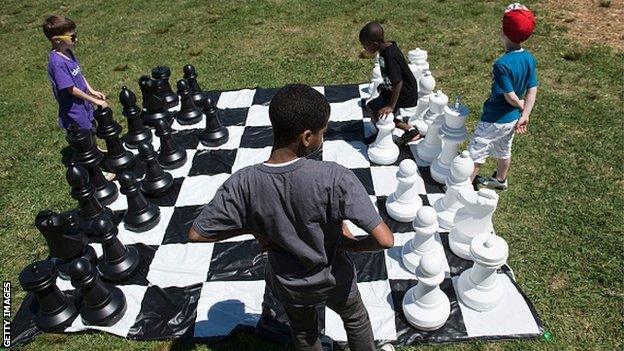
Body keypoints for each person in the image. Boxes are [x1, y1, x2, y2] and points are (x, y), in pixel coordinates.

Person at [188, 84, 395, 351]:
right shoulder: (334, 177)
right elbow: (385, 239)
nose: (323, 137)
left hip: (288, 284)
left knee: (303, 332)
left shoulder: (243, 183)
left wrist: (253, 229)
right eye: (323, 132)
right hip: (334, 277)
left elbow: (197, 233)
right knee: (355, 319)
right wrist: (351, 244)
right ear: (307, 137)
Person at [469, 3, 538, 190]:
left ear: (503, 32)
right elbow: (533, 88)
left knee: (477, 152)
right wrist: (525, 114)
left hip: (494, 118)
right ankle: (500, 180)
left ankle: (463, 185)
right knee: (504, 150)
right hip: (512, 119)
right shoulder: (529, 58)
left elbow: (509, 96)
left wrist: (519, 103)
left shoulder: (502, 64)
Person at [43, 15, 108, 135]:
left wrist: (91, 90)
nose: (76, 39)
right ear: (57, 40)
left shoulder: (68, 52)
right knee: (82, 132)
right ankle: (89, 151)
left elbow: (78, 73)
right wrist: (94, 100)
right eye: (72, 37)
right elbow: (71, 89)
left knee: (90, 126)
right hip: (73, 108)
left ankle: (95, 148)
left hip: (83, 101)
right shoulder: (57, 63)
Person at [360, 21, 420, 144]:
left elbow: (398, 82)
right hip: (396, 88)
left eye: (365, 46)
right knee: (372, 107)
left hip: (405, 92)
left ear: (375, 44)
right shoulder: (386, 48)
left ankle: (405, 131)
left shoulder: (389, 56)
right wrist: (385, 84)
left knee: (379, 112)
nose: (364, 48)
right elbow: (393, 76)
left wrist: (391, 107)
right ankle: (404, 130)